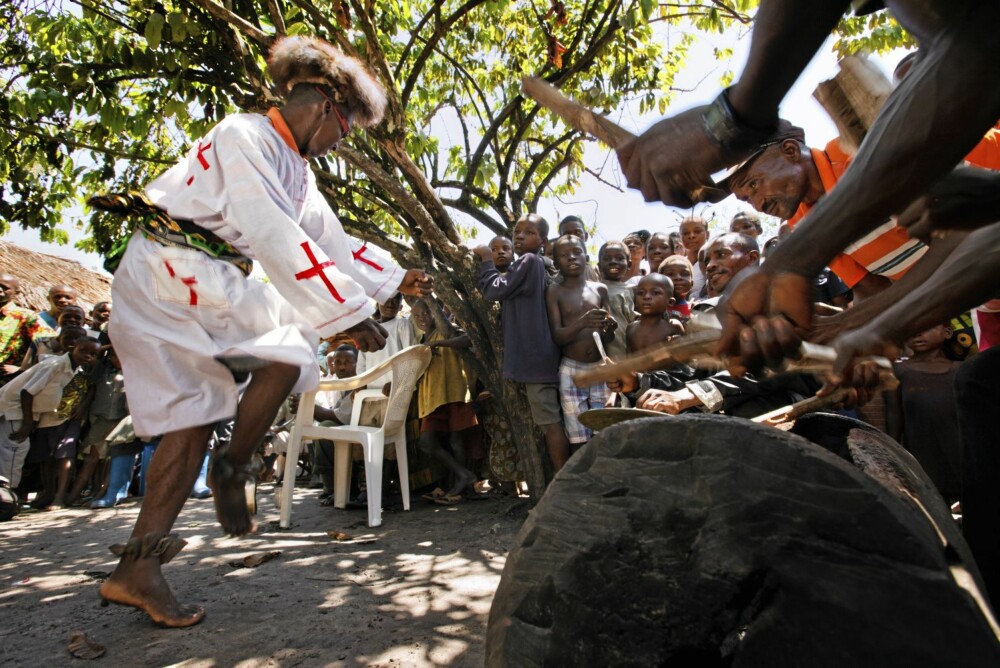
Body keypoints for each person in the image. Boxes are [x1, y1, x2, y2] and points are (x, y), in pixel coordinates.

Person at [95, 35, 432, 627]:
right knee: (291, 348)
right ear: (327, 106)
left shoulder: (298, 175)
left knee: (193, 421)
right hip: (172, 270)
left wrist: (394, 278)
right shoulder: (245, 134)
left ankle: (137, 568)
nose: (338, 145)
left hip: (187, 279)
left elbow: (334, 244)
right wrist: (348, 312)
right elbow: (270, 229)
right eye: (344, 132)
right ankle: (236, 465)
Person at [475, 214, 570, 471]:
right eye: (517, 231)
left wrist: (485, 260)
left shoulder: (528, 261)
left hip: (535, 362)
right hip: (534, 360)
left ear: (542, 241)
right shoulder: (532, 265)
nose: (519, 236)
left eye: (528, 232)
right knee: (547, 423)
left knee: (550, 423)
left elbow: (493, 289)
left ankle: (562, 482)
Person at [0, 336, 100, 502]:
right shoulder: (56, 366)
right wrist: (28, 422)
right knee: (15, 450)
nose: (87, 356)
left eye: (93, 354)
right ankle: (7, 498)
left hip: (23, 412)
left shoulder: (73, 368)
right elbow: (27, 392)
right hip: (14, 410)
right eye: (83, 351)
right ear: (72, 347)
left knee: (12, 451)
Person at [545, 235, 616, 449]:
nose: (572, 258)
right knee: (578, 434)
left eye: (576, 252)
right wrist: (582, 322)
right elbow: (557, 336)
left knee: (604, 429)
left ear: (586, 257)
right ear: (556, 264)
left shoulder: (599, 289)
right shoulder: (555, 292)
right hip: (571, 370)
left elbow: (607, 336)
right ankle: (584, 478)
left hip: (600, 367)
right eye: (565, 256)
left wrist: (610, 328)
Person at [409, 299, 482, 503]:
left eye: (426, 313)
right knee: (427, 443)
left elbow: (469, 339)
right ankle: (464, 476)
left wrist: (439, 343)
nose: (422, 319)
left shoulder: (447, 330)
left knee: (456, 439)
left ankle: (461, 487)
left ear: (436, 311)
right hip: (432, 397)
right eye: (416, 316)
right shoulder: (421, 340)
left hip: (455, 391)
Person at [885, 324, 962, 504]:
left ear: (947, 332)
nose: (917, 333)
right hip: (922, 457)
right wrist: (892, 456)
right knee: (935, 511)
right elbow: (893, 417)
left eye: (927, 326)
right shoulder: (898, 371)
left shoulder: (961, 370)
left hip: (961, 454)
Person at [67, 342, 129, 507]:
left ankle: (102, 494)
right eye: (115, 355)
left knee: (112, 461)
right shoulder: (102, 371)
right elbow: (92, 381)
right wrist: (105, 348)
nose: (119, 359)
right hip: (100, 421)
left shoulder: (133, 373)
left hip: (121, 422)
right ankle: (73, 496)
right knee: (91, 459)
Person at [0, 274, 53, 387]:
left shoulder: (26, 317)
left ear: (17, 292)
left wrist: (23, 368)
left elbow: (51, 343)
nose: (0, 290)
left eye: (5, 287)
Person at [626, 274, 683, 354]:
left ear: (670, 302)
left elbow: (684, 357)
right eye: (641, 293)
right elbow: (628, 359)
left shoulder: (672, 326)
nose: (646, 297)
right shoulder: (631, 328)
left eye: (655, 293)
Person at [597, 240, 635, 358]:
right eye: (607, 259)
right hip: (604, 356)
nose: (613, 262)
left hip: (629, 354)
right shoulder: (594, 289)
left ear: (629, 264)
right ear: (599, 266)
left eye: (619, 258)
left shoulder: (635, 290)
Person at [556, 216, 601, 282]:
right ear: (560, 239)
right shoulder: (556, 280)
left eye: (578, 233)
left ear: (586, 236)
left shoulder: (598, 271)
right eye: (567, 234)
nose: (573, 237)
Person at [679, 217, 709, 297]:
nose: (691, 236)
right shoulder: (677, 264)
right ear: (680, 237)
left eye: (697, 231)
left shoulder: (714, 262)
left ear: (707, 234)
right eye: (685, 233)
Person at [658, 255, 694, 320]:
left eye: (684, 274)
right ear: (660, 283)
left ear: (691, 283)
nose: (678, 278)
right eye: (671, 274)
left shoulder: (696, 310)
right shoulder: (655, 310)